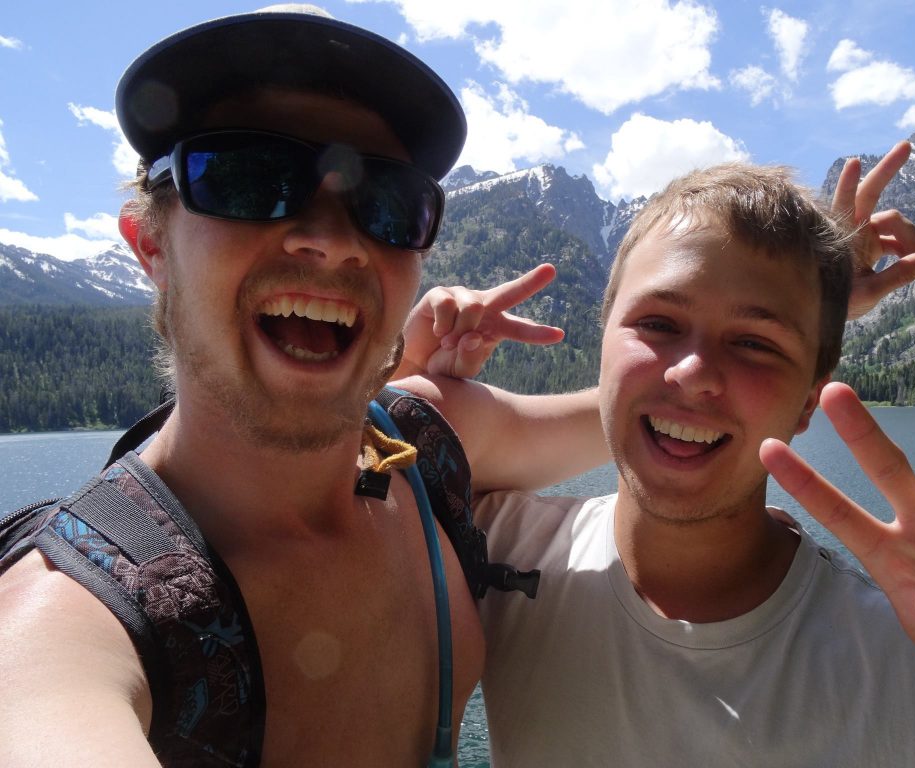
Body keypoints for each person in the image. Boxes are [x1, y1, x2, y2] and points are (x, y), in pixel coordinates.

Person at [0, 6, 594, 767]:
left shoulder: (420, 444)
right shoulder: (75, 616)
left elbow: (641, 414)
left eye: (386, 203)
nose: (334, 238)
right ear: (150, 243)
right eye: (251, 178)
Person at [397, 160, 915, 765]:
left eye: (755, 344)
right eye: (658, 323)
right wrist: (396, 369)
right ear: (602, 343)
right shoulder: (495, 544)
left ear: (810, 401)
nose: (693, 374)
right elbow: (358, 448)